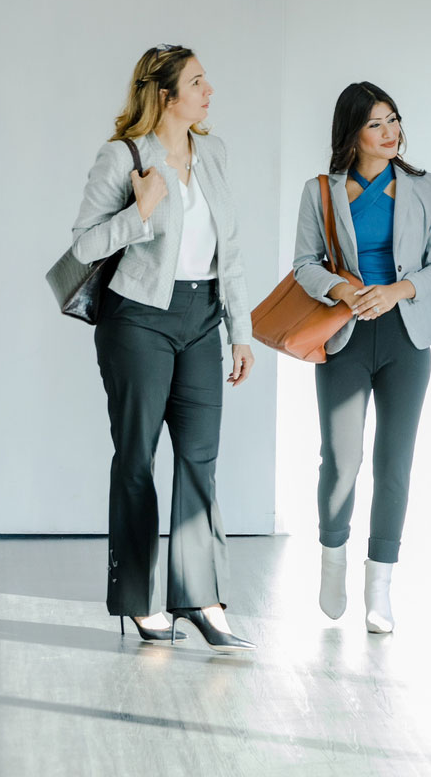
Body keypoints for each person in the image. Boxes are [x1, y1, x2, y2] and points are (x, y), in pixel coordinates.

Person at [70, 44, 256, 652]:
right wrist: (141, 210)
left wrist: (241, 329)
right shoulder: (122, 156)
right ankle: (138, 599)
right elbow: (83, 246)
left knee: (200, 459)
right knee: (137, 458)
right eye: (198, 82)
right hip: (139, 319)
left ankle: (201, 599)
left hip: (203, 318)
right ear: (165, 95)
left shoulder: (215, 152)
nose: (210, 91)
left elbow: (231, 247)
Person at [293, 82, 431, 633]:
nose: (391, 133)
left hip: (408, 338)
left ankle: (380, 585)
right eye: (376, 125)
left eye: (394, 120)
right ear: (352, 133)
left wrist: (396, 291)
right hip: (346, 338)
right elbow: (303, 264)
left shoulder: (426, 188)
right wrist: (342, 291)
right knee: (341, 460)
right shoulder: (322, 191)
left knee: (394, 463)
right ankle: (332, 559)